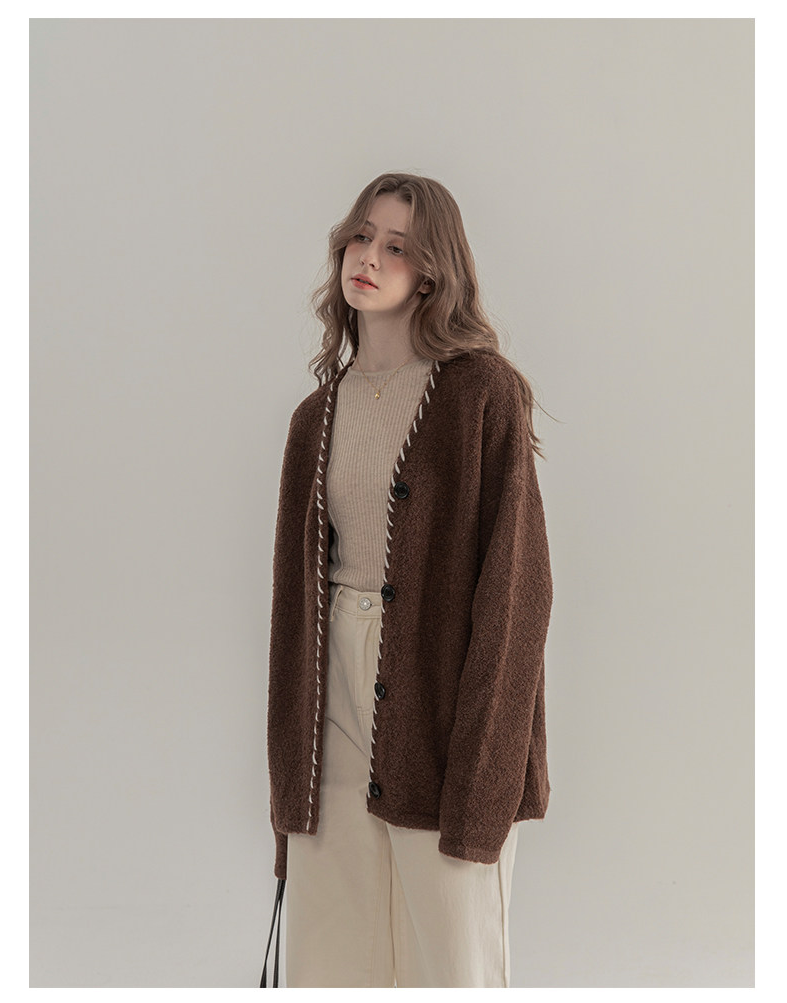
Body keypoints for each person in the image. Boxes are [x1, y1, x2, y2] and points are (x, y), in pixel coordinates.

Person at [264, 172, 554, 988]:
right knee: (330, 956)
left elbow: (517, 594)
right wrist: (288, 788)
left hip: (439, 698)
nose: (370, 257)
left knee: (451, 955)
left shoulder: (482, 394)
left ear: (431, 272)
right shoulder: (315, 419)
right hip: (329, 701)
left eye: (397, 246)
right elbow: (293, 611)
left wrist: (485, 778)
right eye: (362, 237)